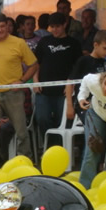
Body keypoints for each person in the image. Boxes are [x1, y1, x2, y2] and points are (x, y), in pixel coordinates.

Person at [0, 13, 38, 158]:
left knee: (21, 131)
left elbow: (33, 65)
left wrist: (22, 81)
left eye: (2, 26)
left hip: (14, 93)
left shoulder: (19, 43)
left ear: (8, 26)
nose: (0, 30)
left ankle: (25, 160)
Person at [33, 12, 82, 140]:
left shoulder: (73, 43)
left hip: (64, 91)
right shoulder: (44, 41)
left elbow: (77, 67)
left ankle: (61, 147)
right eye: (52, 27)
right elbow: (36, 63)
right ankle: (49, 144)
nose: (55, 30)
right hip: (44, 89)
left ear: (65, 24)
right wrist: (35, 80)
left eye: (58, 26)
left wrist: (70, 84)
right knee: (42, 118)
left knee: (63, 121)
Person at [65, 29, 106, 123]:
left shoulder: (105, 62)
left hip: (101, 104)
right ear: (96, 45)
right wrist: (69, 106)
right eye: (105, 48)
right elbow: (69, 83)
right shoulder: (83, 61)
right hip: (84, 103)